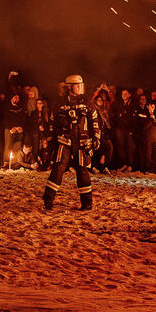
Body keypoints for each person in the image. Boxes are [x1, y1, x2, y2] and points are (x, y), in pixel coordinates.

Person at [42, 75, 102, 211]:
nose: (80, 87)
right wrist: (50, 142)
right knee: (58, 169)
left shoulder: (87, 102)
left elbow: (95, 122)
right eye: (77, 85)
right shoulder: (60, 104)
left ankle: (87, 203)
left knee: (82, 170)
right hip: (65, 142)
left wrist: (96, 138)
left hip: (82, 143)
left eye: (81, 85)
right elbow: (52, 124)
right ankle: (48, 200)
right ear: (70, 87)